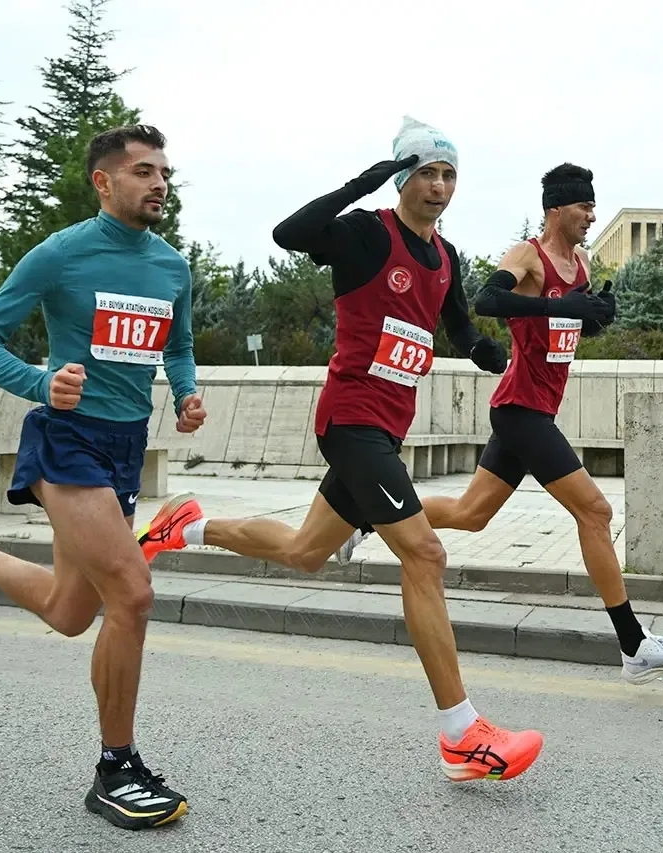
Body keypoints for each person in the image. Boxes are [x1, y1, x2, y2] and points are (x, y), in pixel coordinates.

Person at [139, 116, 550, 783]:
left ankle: (185, 527)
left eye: (448, 175)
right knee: (425, 553)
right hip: (350, 419)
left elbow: (457, 327)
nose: (439, 186)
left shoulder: (446, 257)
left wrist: (485, 351)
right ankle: (461, 734)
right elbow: (290, 233)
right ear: (402, 177)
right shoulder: (365, 233)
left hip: (388, 427)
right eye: (426, 172)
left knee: (306, 551)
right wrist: (368, 180)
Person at [0, 124, 205, 830]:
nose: (159, 184)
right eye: (143, 172)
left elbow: (179, 345)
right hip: (69, 440)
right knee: (133, 592)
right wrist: (42, 383)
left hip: (125, 446)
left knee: (69, 612)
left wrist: (186, 392)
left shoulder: (171, 267)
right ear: (104, 181)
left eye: (164, 172)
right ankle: (116, 768)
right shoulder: (61, 252)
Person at [335, 163, 663, 685]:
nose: (591, 216)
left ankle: (363, 518)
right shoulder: (527, 257)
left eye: (593, 207)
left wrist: (594, 316)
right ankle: (634, 645)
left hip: (536, 409)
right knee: (595, 511)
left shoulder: (582, 262)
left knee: (470, 514)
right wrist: (562, 304)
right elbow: (488, 300)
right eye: (583, 207)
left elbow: (564, 325)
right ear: (556, 209)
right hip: (520, 410)